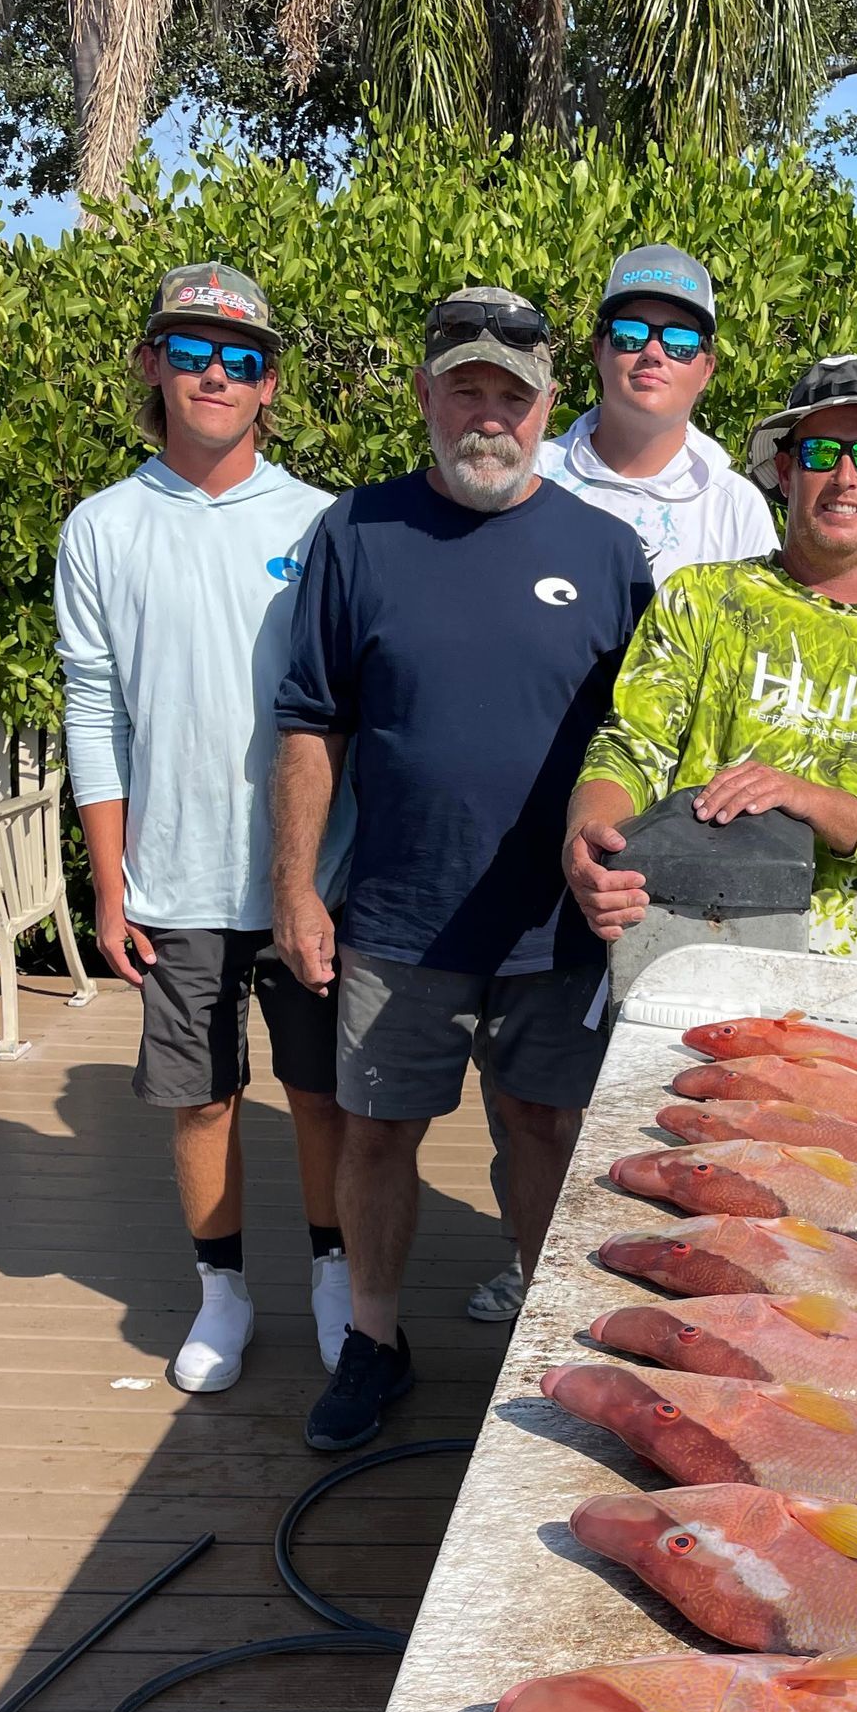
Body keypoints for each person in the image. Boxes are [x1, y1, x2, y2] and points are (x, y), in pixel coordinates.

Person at [273, 286, 654, 1453]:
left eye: (513, 394)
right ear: (428, 395)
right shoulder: (356, 531)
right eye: (466, 390)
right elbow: (307, 722)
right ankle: (373, 1344)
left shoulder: (608, 550)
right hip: (397, 913)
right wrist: (294, 888)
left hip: (557, 925)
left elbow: (644, 737)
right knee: (378, 1133)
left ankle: (546, 1354)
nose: (489, 415)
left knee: (544, 1129)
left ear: (549, 405)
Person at [460, 242, 777, 1329]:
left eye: (678, 336)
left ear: (707, 366)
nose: (653, 352)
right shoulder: (524, 467)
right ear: (594, 351)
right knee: (528, 1086)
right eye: (632, 331)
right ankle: (534, 1261)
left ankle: (670, 1287)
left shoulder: (738, 507)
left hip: (683, 855)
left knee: (678, 1088)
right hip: (532, 830)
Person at [56, 263, 354, 1395]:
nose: (215, 375)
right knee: (202, 1095)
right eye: (191, 352)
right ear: (152, 365)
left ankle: (335, 1277)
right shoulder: (101, 527)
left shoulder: (323, 522)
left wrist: (334, 871)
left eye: (241, 359)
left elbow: (351, 708)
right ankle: (222, 1293)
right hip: (172, 878)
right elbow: (95, 707)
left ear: (270, 384)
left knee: (322, 1094)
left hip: (310, 879)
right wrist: (106, 878)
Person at [561, 354, 857, 962]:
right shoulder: (700, 598)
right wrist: (586, 834)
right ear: (785, 470)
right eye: (821, 454)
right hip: (677, 957)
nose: (846, 476)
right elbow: (630, 747)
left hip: (836, 989)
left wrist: (802, 796)